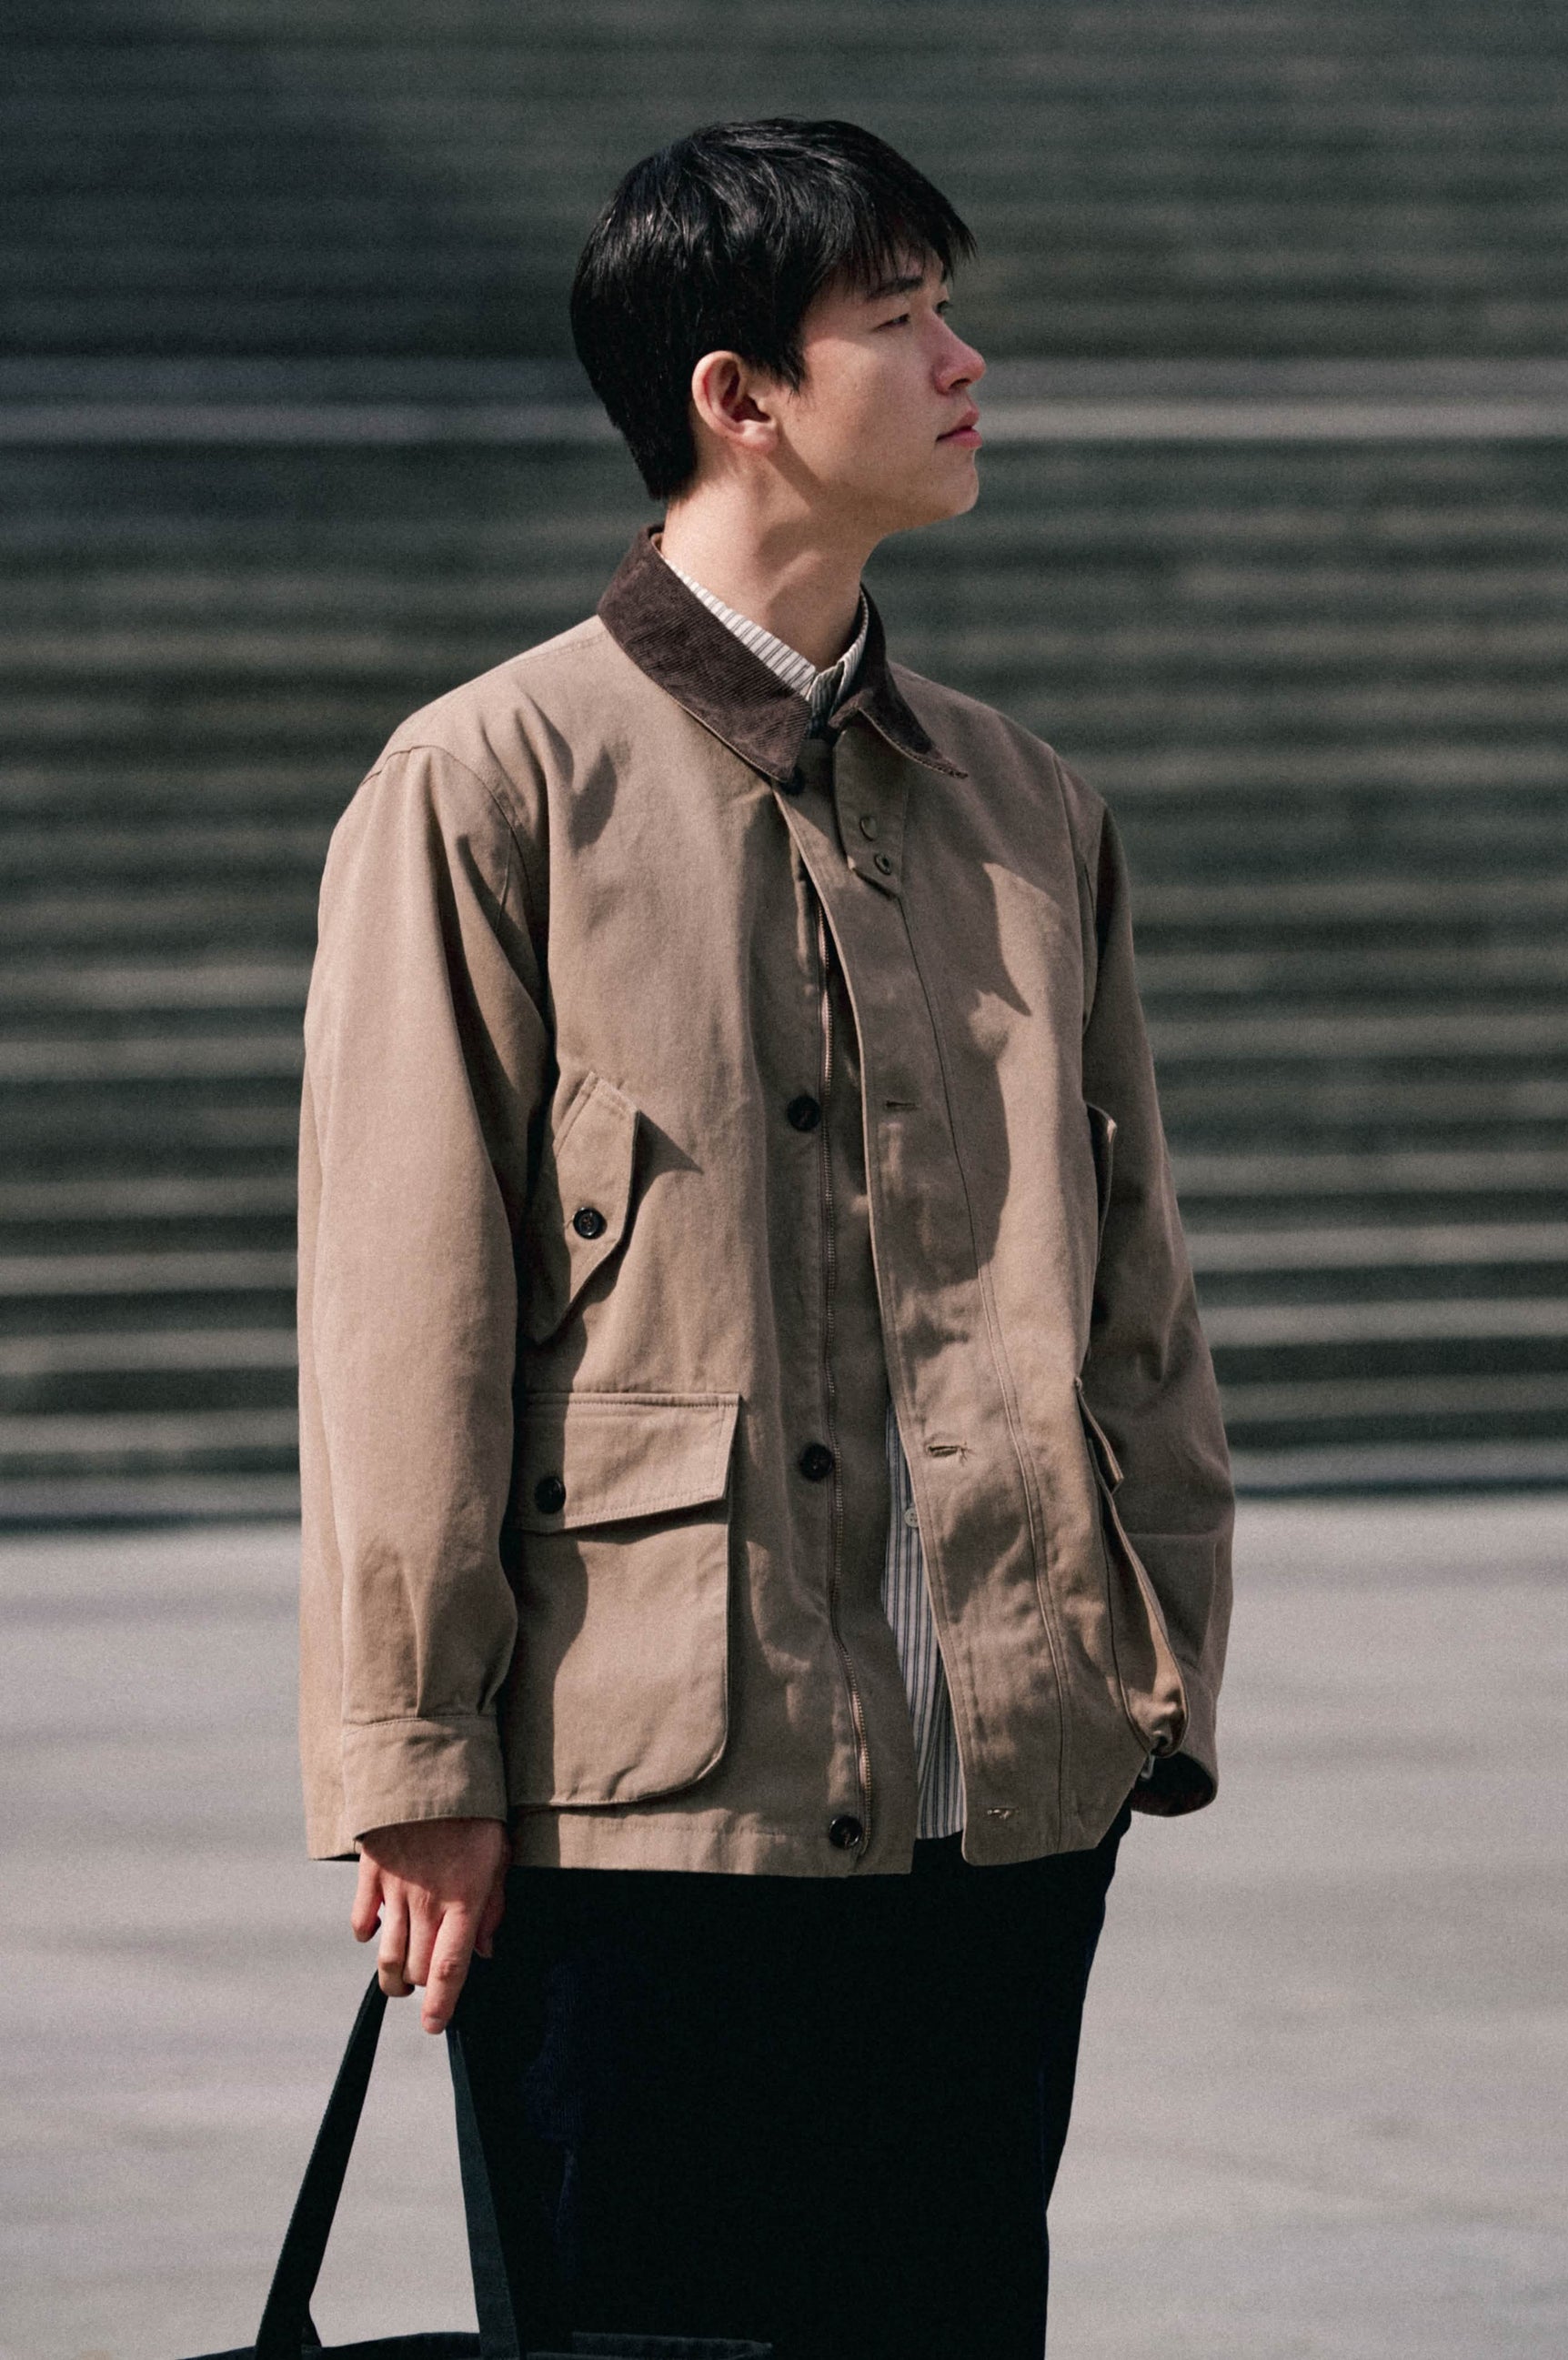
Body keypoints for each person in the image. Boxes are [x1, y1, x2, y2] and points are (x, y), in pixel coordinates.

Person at [296, 115, 1233, 2360]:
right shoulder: (490, 784)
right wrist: (411, 1760)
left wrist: (1149, 1659)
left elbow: (1136, 1283)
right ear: (737, 394)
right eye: (900, 320)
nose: (963, 362)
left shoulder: (1029, 805)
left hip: (1000, 1802)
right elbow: (404, 1313)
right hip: (640, 1814)